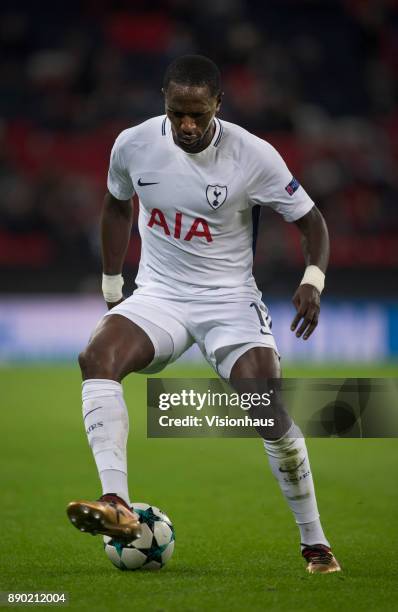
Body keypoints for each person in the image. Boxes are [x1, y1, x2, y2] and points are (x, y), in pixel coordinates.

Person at [67, 55, 340, 574]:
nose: (187, 125)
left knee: (266, 411)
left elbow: (312, 223)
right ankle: (117, 504)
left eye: (198, 114)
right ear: (164, 103)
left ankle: (314, 540)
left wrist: (312, 280)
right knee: (96, 356)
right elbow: (117, 203)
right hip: (160, 293)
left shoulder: (254, 155)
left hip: (229, 299)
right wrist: (111, 287)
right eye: (177, 114)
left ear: (219, 104)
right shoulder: (134, 144)